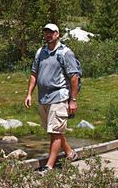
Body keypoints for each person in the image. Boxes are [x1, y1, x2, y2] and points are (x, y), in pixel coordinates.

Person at [24, 23, 80, 173]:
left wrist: (72, 100)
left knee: (55, 131)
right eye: (46, 33)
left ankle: (49, 166)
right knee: (54, 130)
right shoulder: (40, 52)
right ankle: (70, 153)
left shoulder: (65, 53)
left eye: (51, 33)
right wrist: (29, 93)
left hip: (59, 96)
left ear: (57, 34)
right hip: (43, 97)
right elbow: (34, 73)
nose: (48, 35)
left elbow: (74, 77)